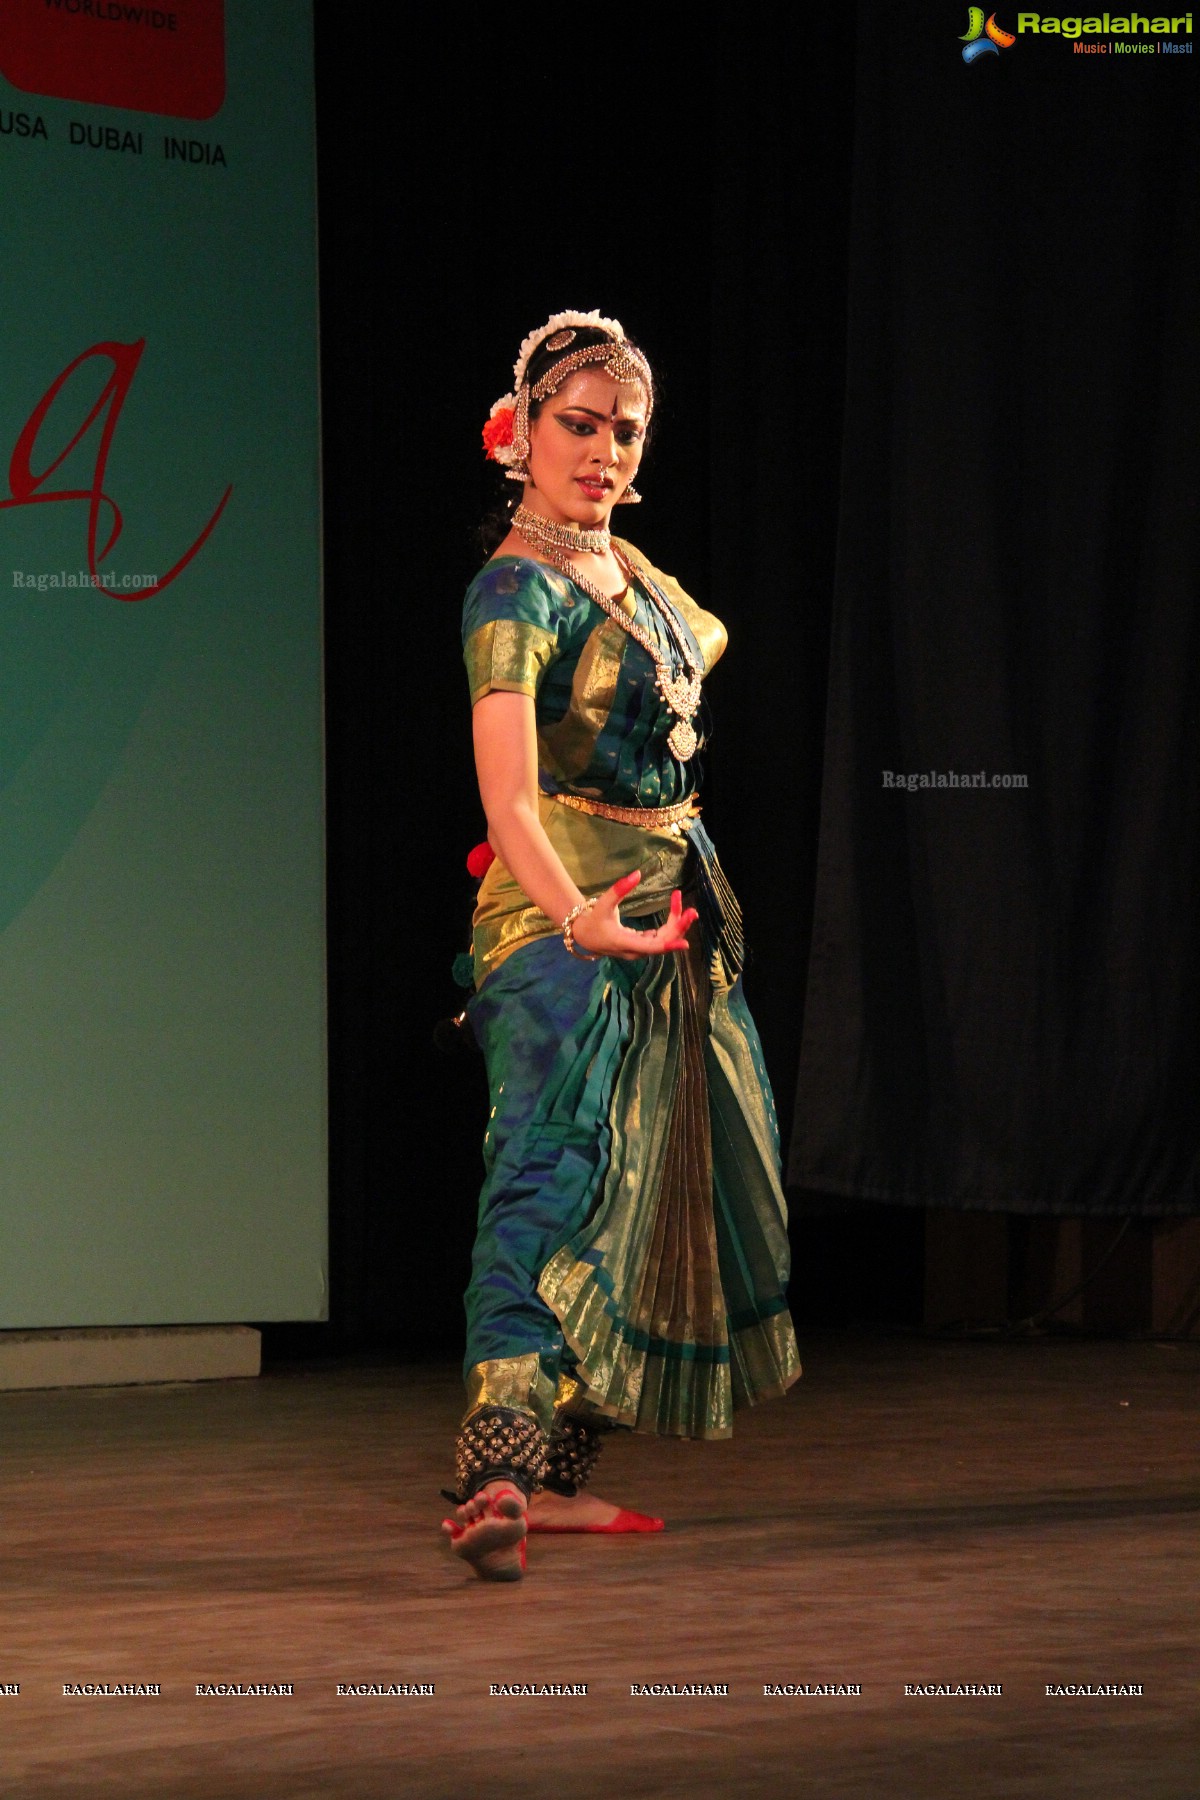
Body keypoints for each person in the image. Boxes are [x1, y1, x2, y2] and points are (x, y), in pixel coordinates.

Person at [441, 310, 800, 1581]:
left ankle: (553, 1480)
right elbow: (509, 799)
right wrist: (573, 914)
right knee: (550, 1175)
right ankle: (493, 1473)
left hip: (669, 913)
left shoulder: (635, 576)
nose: (600, 451)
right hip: (561, 920)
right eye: (577, 425)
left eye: (622, 431)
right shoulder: (513, 590)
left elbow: (688, 677)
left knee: (667, 1195)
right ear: (521, 435)